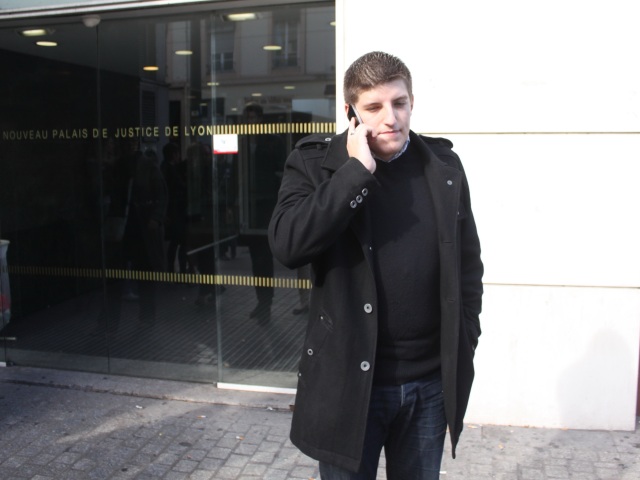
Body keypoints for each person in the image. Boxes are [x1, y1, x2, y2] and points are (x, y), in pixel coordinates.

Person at [268, 51, 484, 479]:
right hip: (350, 386)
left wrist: (464, 340)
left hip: (428, 385)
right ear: (351, 113)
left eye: (399, 103)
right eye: (374, 107)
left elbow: (468, 266)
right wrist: (353, 173)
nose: (391, 118)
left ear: (412, 102)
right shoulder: (315, 164)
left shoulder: (442, 165)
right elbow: (288, 245)